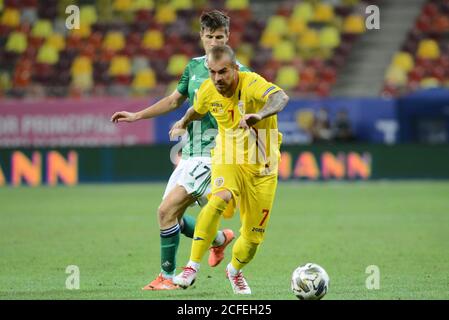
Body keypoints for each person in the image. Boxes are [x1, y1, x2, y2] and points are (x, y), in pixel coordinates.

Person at [111, 11, 250, 290]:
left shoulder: (240, 72)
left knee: (166, 211)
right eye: (209, 37)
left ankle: (167, 278)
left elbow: (248, 111)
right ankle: (220, 240)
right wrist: (137, 116)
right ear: (201, 37)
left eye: (219, 37)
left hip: (215, 154)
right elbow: (175, 100)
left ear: (228, 38)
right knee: (168, 216)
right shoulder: (194, 68)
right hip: (190, 153)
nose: (213, 42)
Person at [170, 45, 289, 294]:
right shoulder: (208, 90)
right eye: (212, 72)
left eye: (222, 72)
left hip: (263, 166)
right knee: (218, 199)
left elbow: (281, 98)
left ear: (235, 68)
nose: (217, 78)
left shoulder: (252, 83)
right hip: (228, 156)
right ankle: (192, 267)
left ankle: (234, 270)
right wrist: (182, 121)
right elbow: (197, 109)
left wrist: (260, 114)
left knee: (253, 238)